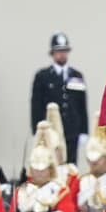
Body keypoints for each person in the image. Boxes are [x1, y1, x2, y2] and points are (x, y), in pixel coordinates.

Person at [31, 32, 91, 163]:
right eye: (58, 51)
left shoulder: (76, 75)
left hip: (72, 130)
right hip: (51, 131)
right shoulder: (43, 76)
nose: (62, 54)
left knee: (71, 164)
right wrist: (37, 129)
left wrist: (84, 130)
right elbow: (36, 105)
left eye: (64, 51)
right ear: (52, 53)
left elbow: (81, 105)